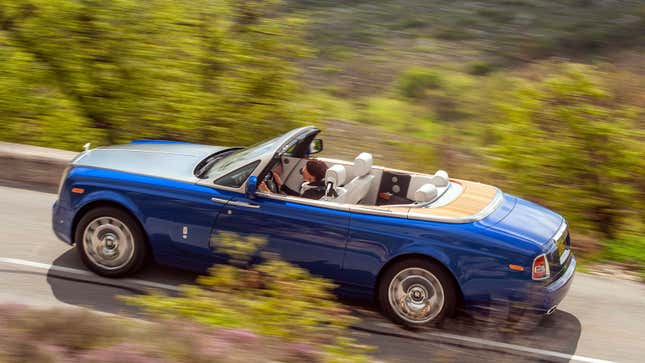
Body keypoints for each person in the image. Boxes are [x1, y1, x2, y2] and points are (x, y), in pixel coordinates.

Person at [262, 159, 328, 200]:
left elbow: (299, 201)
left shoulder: (312, 194)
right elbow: (300, 197)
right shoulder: (319, 187)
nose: (302, 170)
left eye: (305, 169)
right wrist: (282, 185)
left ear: (312, 176)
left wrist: (267, 191)